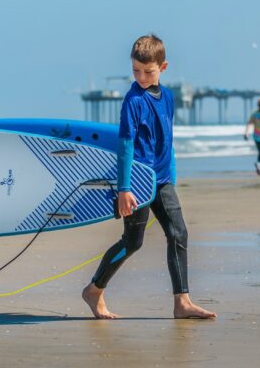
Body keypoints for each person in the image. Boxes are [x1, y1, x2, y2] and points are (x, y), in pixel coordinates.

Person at [81, 35, 216, 320]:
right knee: (133, 241)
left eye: (148, 71)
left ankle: (182, 302)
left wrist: (172, 175)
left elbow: (167, 138)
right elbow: (125, 144)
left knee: (178, 233)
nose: (141, 77)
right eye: (136, 71)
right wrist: (124, 188)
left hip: (163, 178)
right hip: (139, 181)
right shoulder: (133, 100)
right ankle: (94, 289)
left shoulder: (168, 97)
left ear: (163, 67)